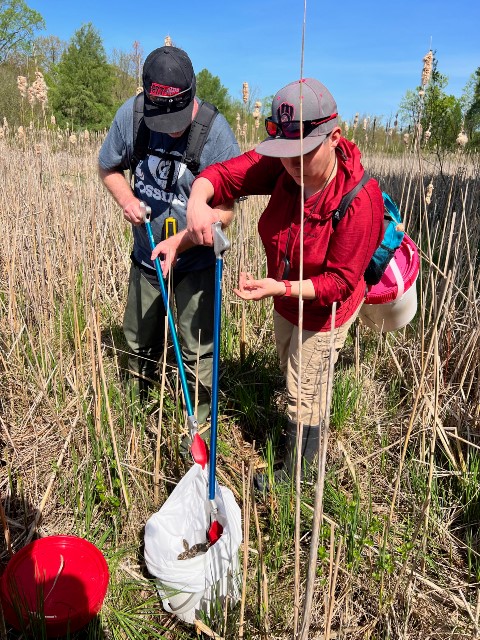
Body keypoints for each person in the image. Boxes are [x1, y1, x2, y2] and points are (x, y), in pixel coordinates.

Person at [174, 77, 385, 479]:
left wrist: (279, 287)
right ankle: (305, 431)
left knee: (303, 392)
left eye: (304, 153)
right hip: (285, 296)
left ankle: (297, 478)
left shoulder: (360, 199)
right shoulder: (283, 167)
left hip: (325, 311)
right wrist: (198, 200)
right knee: (290, 365)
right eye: (285, 154)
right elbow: (225, 175)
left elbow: (338, 285)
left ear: (334, 137)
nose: (292, 164)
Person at [98, 45, 240, 428]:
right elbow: (108, 167)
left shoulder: (216, 134)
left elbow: (226, 211)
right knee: (137, 340)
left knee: (197, 352)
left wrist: (182, 243)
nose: (172, 129)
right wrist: (127, 199)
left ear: (193, 95)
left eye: (178, 119)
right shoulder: (132, 116)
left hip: (195, 262)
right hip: (146, 258)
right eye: (164, 121)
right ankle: (135, 414)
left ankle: (201, 426)